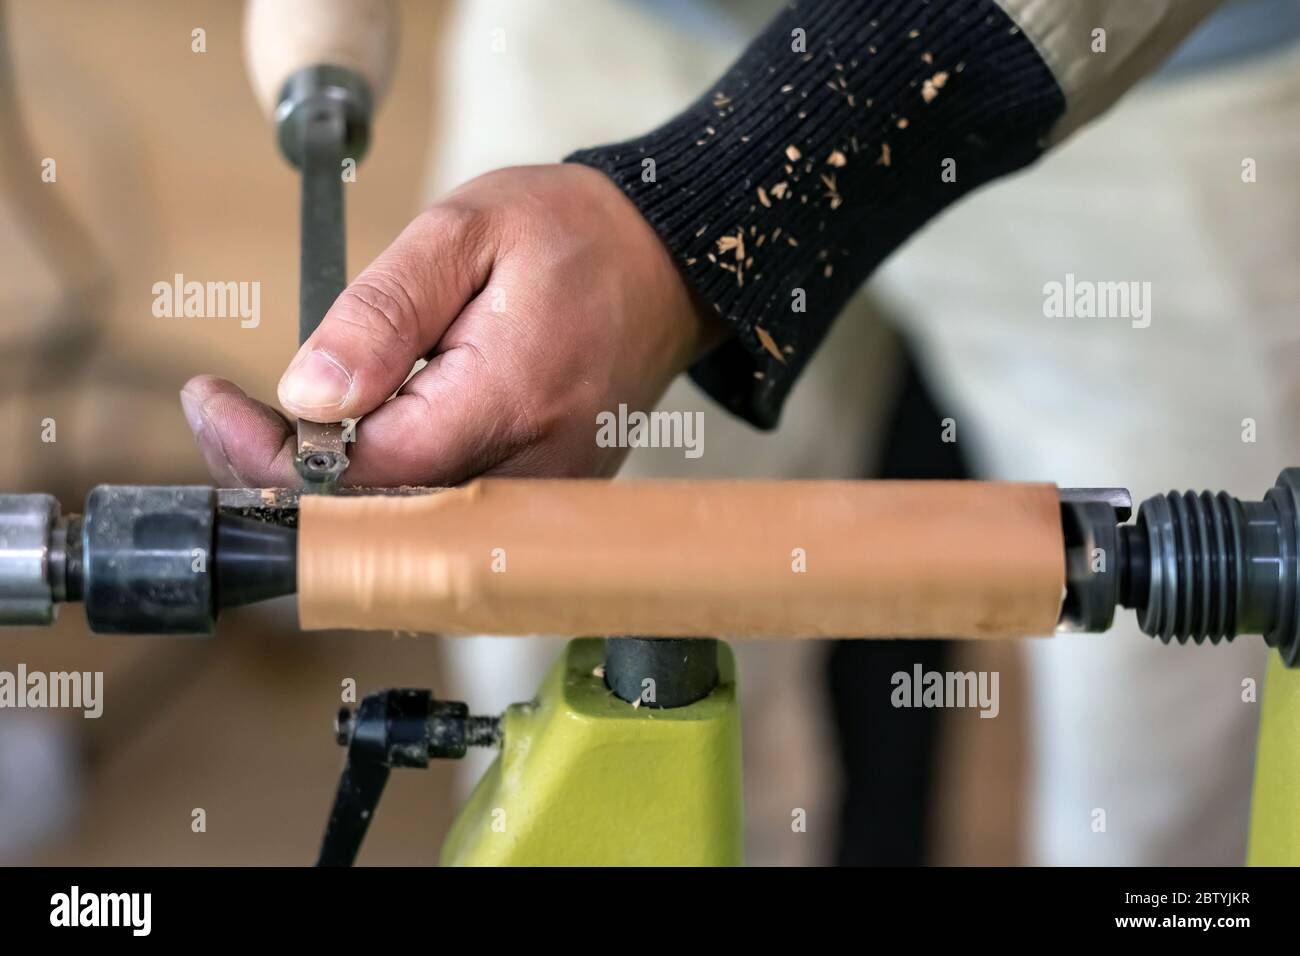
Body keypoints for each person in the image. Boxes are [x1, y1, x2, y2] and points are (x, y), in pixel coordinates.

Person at [181, 0, 1294, 863]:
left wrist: (687, 227)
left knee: (1178, 787)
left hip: (1157, 88)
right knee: (572, 742)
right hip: (627, 39)